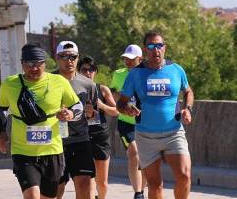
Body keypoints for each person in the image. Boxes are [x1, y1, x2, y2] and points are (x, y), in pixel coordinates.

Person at [0, 43, 83, 199]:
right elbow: (1, 109)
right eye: (29, 64)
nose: (34, 68)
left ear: (45, 63)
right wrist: (1, 133)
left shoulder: (59, 82)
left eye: (38, 64)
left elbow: (78, 106)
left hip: (52, 152)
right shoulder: (10, 83)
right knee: (32, 196)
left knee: (48, 196)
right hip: (23, 152)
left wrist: (70, 114)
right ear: (22, 63)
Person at [118, 31, 194, 199]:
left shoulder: (176, 69)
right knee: (154, 184)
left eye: (159, 45)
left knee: (184, 176)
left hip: (174, 132)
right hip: (146, 136)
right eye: (151, 46)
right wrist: (128, 108)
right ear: (146, 49)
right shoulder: (135, 74)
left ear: (164, 48)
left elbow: (188, 91)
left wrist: (187, 109)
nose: (156, 50)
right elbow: (121, 103)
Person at [53, 41, 98, 199]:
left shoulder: (89, 85)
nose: (69, 60)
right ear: (57, 58)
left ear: (78, 58)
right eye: (64, 56)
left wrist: (91, 114)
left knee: (85, 184)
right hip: (54, 142)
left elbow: (92, 117)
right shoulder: (47, 81)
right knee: (56, 189)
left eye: (73, 56)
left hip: (80, 140)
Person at [78, 56, 119, 199]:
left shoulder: (102, 89)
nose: (88, 73)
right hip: (81, 138)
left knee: (101, 182)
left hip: (100, 137)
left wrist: (102, 106)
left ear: (95, 71)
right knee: (87, 180)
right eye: (84, 70)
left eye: (92, 69)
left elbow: (116, 111)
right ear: (78, 71)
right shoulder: (72, 89)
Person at [110, 44, 147, 199]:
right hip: (126, 122)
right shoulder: (118, 74)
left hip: (145, 122)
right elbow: (111, 93)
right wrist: (123, 100)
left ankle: (143, 190)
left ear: (140, 59)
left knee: (146, 158)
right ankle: (137, 193)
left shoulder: (148, 74)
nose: (128, 61)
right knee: (134, 152)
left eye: (131, 59)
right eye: (126, 58)